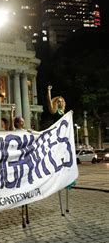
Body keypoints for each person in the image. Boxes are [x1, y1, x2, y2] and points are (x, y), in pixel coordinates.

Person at [47, 85, 72, 216]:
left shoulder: (64, 113)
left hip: (64, 139)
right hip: (57, 138)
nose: (60, 102)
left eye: (62, 101)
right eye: (59, 101)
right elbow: (50, 105)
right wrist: (49, 91)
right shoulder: (55, 111)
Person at [10, 105, 31, 228]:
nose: (23, 122)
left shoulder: (26, 132)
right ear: (18, 123)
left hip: (26, 162)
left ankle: (26, 214)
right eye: (21, 121)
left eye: (23, 121)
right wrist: (12, 112)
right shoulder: (15, 132)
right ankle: (23, 215)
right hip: (18, 163)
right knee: (22, 189)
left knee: (26, 188)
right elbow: (11, 128)